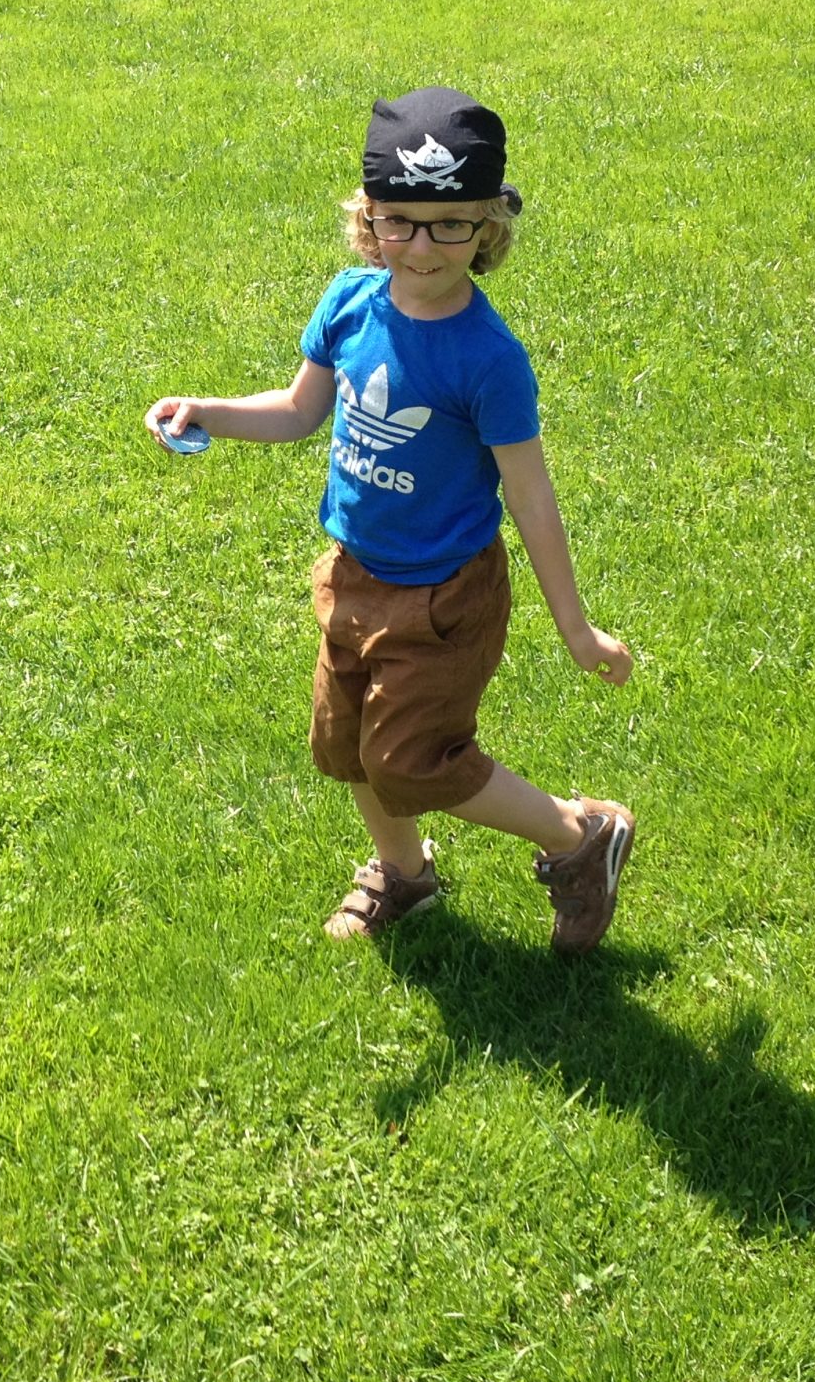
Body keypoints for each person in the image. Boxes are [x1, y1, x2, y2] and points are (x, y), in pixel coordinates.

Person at [145, 88, 637, 951]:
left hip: (445, 598)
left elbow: (531, 497)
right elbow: (299, 411)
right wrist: (208, 411)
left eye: (449, 225)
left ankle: (579, 835)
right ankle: (405, 875)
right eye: (400, 220)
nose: (421, 245)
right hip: (353, 574)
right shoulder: (349, 304)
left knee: (414, 760)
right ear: (368, 217)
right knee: (345, 747)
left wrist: (577, 629)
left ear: (488, 226)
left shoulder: (488, 360)